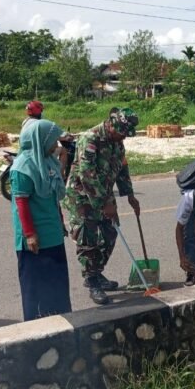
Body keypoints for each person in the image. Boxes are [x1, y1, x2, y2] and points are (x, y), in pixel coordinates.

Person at [63, 108, 141, 305]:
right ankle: (92, 281)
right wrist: (105, 203)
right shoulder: (91, 138)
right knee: (88, 238)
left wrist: (130, 195)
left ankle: (97, 273)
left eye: (126, 133)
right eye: (121, 132)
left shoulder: (117, 142)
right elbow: (86, 174)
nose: (123, 136)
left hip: (103, 193)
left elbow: (122, 167)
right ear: (111, 124)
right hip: (82, 196)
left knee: (110, 233)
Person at [11, 119, 72, 320]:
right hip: (34, 240)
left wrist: (60, 222)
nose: (56, 146)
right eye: (53, 141)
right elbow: (21, 202)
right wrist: (29, 234)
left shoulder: (48, 161)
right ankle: (36, 330)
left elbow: (54, 197)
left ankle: (61, 325)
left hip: (53, 233)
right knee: (36, 289)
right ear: (41, 140)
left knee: (57, 285)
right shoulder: (23, 166)